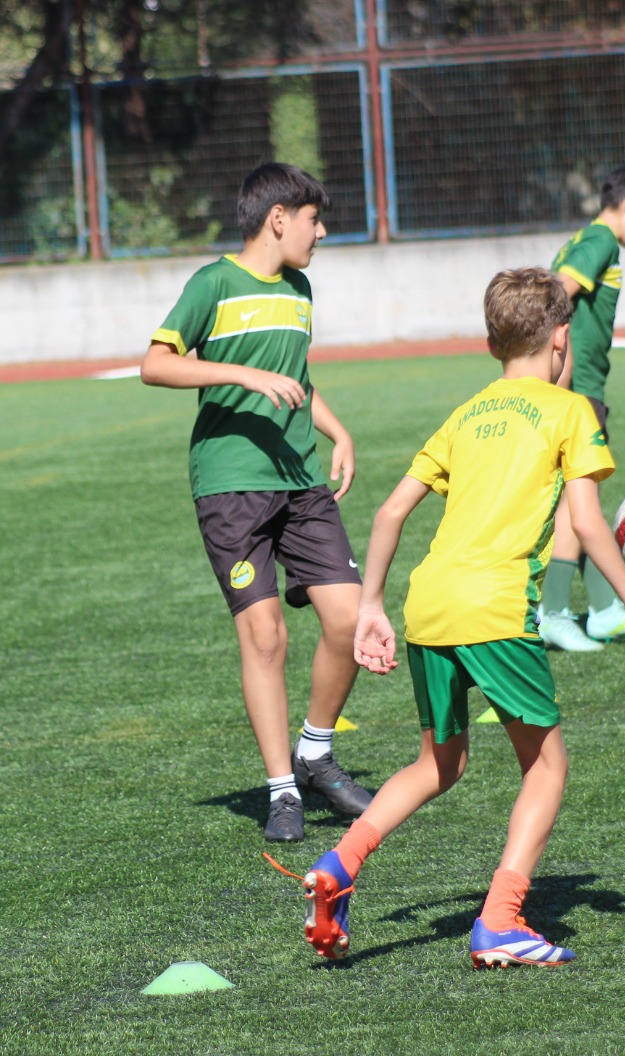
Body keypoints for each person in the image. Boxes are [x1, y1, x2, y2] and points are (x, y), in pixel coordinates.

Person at [269, 267, 625, 967]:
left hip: (428, 604)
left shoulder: (465, 415)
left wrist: (371, 608)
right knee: (546, 768)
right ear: (563, 339)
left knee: (440, 762)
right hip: (495, 607)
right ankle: (501, 920)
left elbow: (390, 512)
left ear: (491, 344)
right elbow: (586, 522)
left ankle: (338, 864)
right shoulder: (569, 410)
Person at [141, 162, 373, 844]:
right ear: (278, 219)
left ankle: (315, 753)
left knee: (349, 620)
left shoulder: (300, 289)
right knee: (266, 636)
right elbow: (156, 363)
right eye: (314, 220)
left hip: (301, 478)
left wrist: (338, 431)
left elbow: (295, 378)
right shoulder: (212, 284)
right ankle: (282, 791)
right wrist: (240, 373)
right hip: (230, 484)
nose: (321, 233)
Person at [538, 162, 625, 652]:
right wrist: (563, 372)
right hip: (581, 393)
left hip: (576, 390)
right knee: (579, 505)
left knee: (577, 502)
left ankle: (603, 609)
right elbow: (557, 293)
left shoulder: (580, 239)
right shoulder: (601, 242)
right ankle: (553, 612)